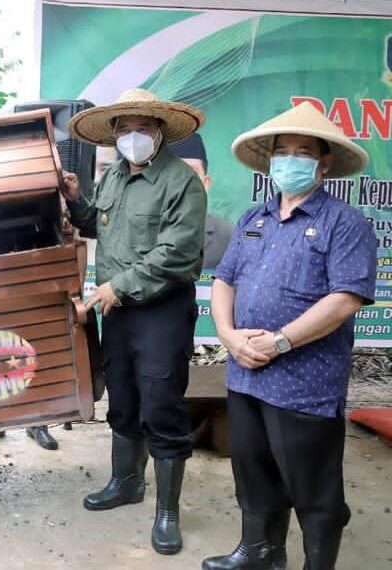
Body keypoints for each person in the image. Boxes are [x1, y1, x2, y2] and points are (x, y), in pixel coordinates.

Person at [203, 102, 376, 570]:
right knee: (253, 471)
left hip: (305, 383)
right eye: (282, 151)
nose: (290, 160)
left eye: (303, 151)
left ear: (323, 164)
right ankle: (259, 552)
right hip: (245, 373)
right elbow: (224, 280)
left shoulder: (346, 223)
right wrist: (227, 335)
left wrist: (279, 342)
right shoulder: (252, 219)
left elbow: (345, 298)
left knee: (313, 486)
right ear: (271, 161)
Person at [62, 88, 207, 555]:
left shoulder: (181, 182)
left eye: (141, 128)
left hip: (161, 310)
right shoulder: (114, 179)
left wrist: (118, 287)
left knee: (161, 405)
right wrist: (76, 199)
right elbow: (96, 225)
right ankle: (126, 483)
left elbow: (177, 253)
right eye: (123, 129)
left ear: (160, 131)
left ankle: (167, 512)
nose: (131, 136)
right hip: (117, 311)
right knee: (122, 398)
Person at [168, 133, 234, 269]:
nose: (183, 180)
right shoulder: (139, 231)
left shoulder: (229, 236)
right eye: (175, 172)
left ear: (206, 183)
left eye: (191, 172)